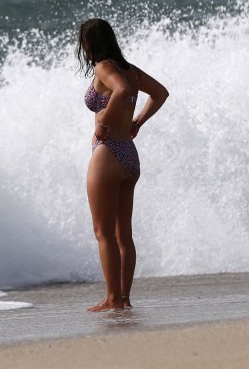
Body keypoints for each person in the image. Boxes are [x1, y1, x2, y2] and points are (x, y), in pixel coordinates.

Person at [78, 18, 168, 311]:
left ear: (90, 43)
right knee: (123, 234)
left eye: (84, 42)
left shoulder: (104, 67)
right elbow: (160, 93)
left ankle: (113, 298)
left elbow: (117, 91)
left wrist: (103, 123)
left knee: (103, 233)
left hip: (107, 153)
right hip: (129, 155)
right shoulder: (131, 70)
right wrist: (137, 122)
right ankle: (124, 298)